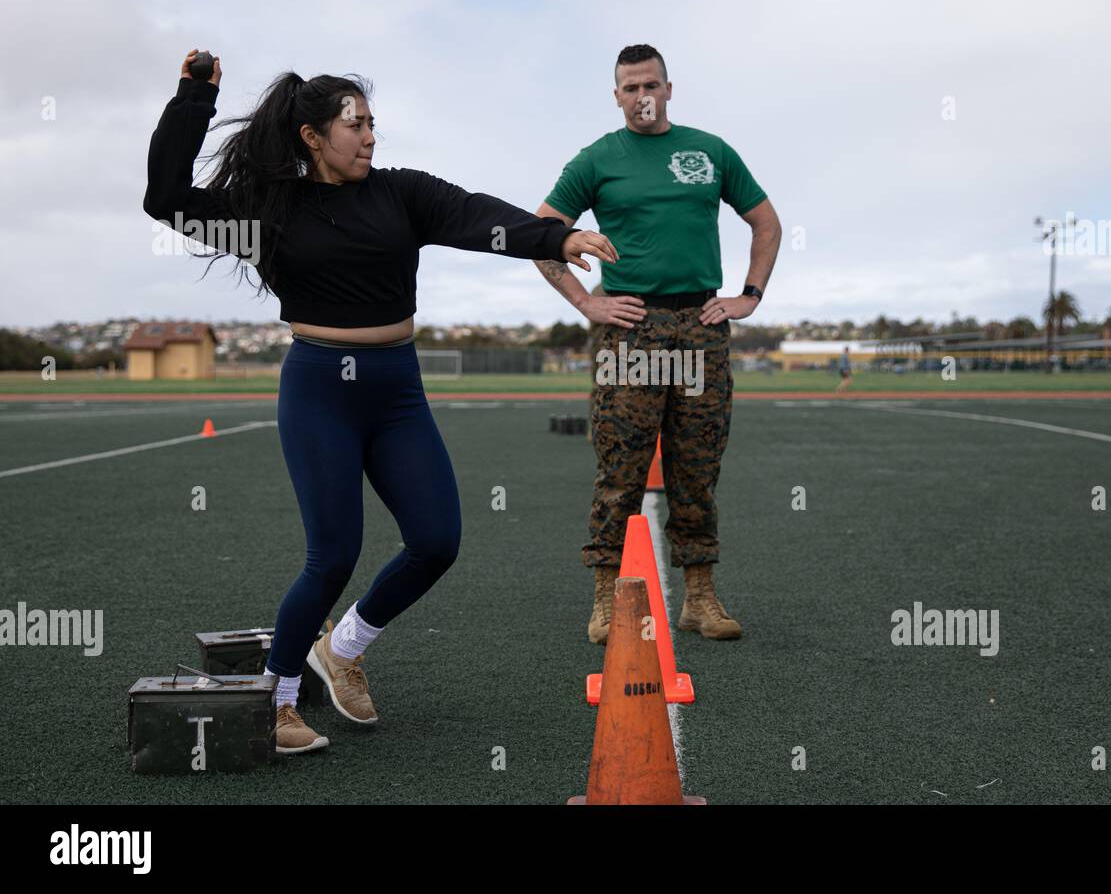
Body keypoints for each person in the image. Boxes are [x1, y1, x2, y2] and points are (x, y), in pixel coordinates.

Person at [143, 49, 618, 753]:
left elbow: (472, 214)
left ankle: (344, 648)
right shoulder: (268, 211)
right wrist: (193, 99)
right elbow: (166, 199)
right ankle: (273, 703)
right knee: (332, 555)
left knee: (436, 541)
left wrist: (556, 234)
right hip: (317, 389)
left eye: (372, 124)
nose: (369, 136)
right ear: (312, 137)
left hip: (396, 389)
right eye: (355, 124)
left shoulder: (401, 193)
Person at [531, 44, 781, 644]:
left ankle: (700, 598)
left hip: (701, 325)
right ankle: (605, 601)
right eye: (628, 88)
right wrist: (587, 303)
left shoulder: (710, 151)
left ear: (669, 88)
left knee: (697, 465)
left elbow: (766, 222)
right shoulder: (597, 159)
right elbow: (541, 235)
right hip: (631, 330)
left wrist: (749, 295)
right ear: (616, 96)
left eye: (650, 84)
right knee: (621, 467)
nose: (640, 95)